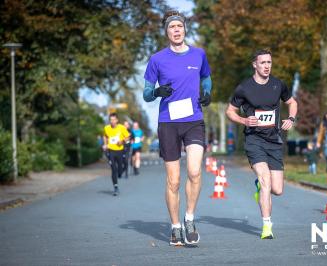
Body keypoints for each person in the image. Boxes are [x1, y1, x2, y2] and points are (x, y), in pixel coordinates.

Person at [142, 10, 212, 246]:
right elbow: (146, 93)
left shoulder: (199, 54)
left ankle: (189, 218)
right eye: (172, 27)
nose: (176, 30)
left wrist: (208, 93)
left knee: (194, 171)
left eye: (179, 27)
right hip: (168, 122)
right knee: (173, 180)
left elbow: (207, 78)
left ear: (184, 29)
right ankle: (175, 227)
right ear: (167, 32)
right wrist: (157, 92)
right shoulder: (157, 59)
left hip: (193, 119)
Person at [226, 49, 298, 239]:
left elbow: (293, 102)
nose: (267, 66)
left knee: (278, 190)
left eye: (269, 63)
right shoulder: (244, 88)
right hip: (254, 140)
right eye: (263, 63)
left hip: (274, 141)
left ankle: (260, 187)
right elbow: (230, 111)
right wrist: (244, 121)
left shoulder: (278, 84)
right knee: (266, 180)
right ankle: (267, 226)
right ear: (255, 65)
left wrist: (291, 118)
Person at [103, 113, 130, 196]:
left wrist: (121, 141)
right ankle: (116, 187)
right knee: (113, 169)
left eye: (114, 119)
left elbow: (128, 137)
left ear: (117, 120)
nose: (112, 121)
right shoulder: (106, 128)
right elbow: (105, 136)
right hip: (111, 151)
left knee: (122, 167)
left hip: (120, 150)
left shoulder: (121, 127)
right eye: (111, 120)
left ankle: (120, 173)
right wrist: (105, 144)